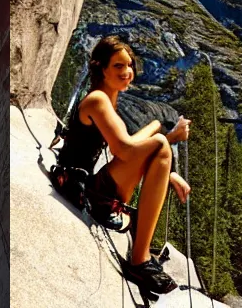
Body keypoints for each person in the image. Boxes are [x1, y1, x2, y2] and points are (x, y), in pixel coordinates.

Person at [58, 36, 192, 296]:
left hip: (90, 185)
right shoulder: (98, 100)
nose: (127, 71)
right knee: (160, 141)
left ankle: (141, 250)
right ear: (101, 69)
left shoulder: (107, 100)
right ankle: (139, 260)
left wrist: (169, 171)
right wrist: (170, 138)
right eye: (118, 66)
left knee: (156, 132)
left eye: (129, 65)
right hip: (86, 191)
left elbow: (124, 147)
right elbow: (124, 150)